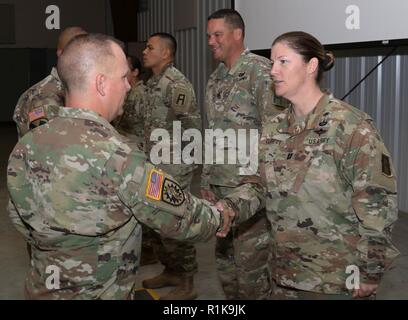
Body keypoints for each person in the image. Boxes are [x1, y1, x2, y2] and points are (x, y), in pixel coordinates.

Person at [7, 33, 233, 300]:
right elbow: (181, 218)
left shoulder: (28, 143)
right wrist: (222, 214)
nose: (128, 86)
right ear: (101, 83)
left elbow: (18, 215)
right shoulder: (119, 156)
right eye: (123, 78)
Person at [221, 31, 399, 299]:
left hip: (334, 281)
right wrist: (228, 208)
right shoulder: (273, 128)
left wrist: (370, 270)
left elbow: (377, 205)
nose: (273, 71)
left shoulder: (350, 126)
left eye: (283, 62)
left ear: (311, 66)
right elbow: (257, 185)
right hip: (283, 276)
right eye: (272, 63)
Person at [201, 9, 284, 299]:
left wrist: (261, 182)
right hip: (221, 190)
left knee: (252, 271)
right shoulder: (215, 79)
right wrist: (208, 179)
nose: (211, 41)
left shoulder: (261, 72)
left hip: (250, 190)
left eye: (217, 35)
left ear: (237, 34)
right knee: (225, 267)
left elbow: (275, 133)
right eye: (208, 35)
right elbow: (212, 132)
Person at [140, 32, 201, 300]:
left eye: (150, 47)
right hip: (155, 165)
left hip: (173, 168)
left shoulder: (176, 84)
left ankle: (186, 283)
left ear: (166, 53)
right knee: (156, 223)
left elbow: (192, 128)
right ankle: (171, 270)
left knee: (176, 222)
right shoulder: (153, 83)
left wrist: (182, 169)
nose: (144, 51)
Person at [13, 26, 87, 138]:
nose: (82, 58)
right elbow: (46, 147)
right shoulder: (43, 96)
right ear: (60, 54)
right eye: (75, 52)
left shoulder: (82, 89)